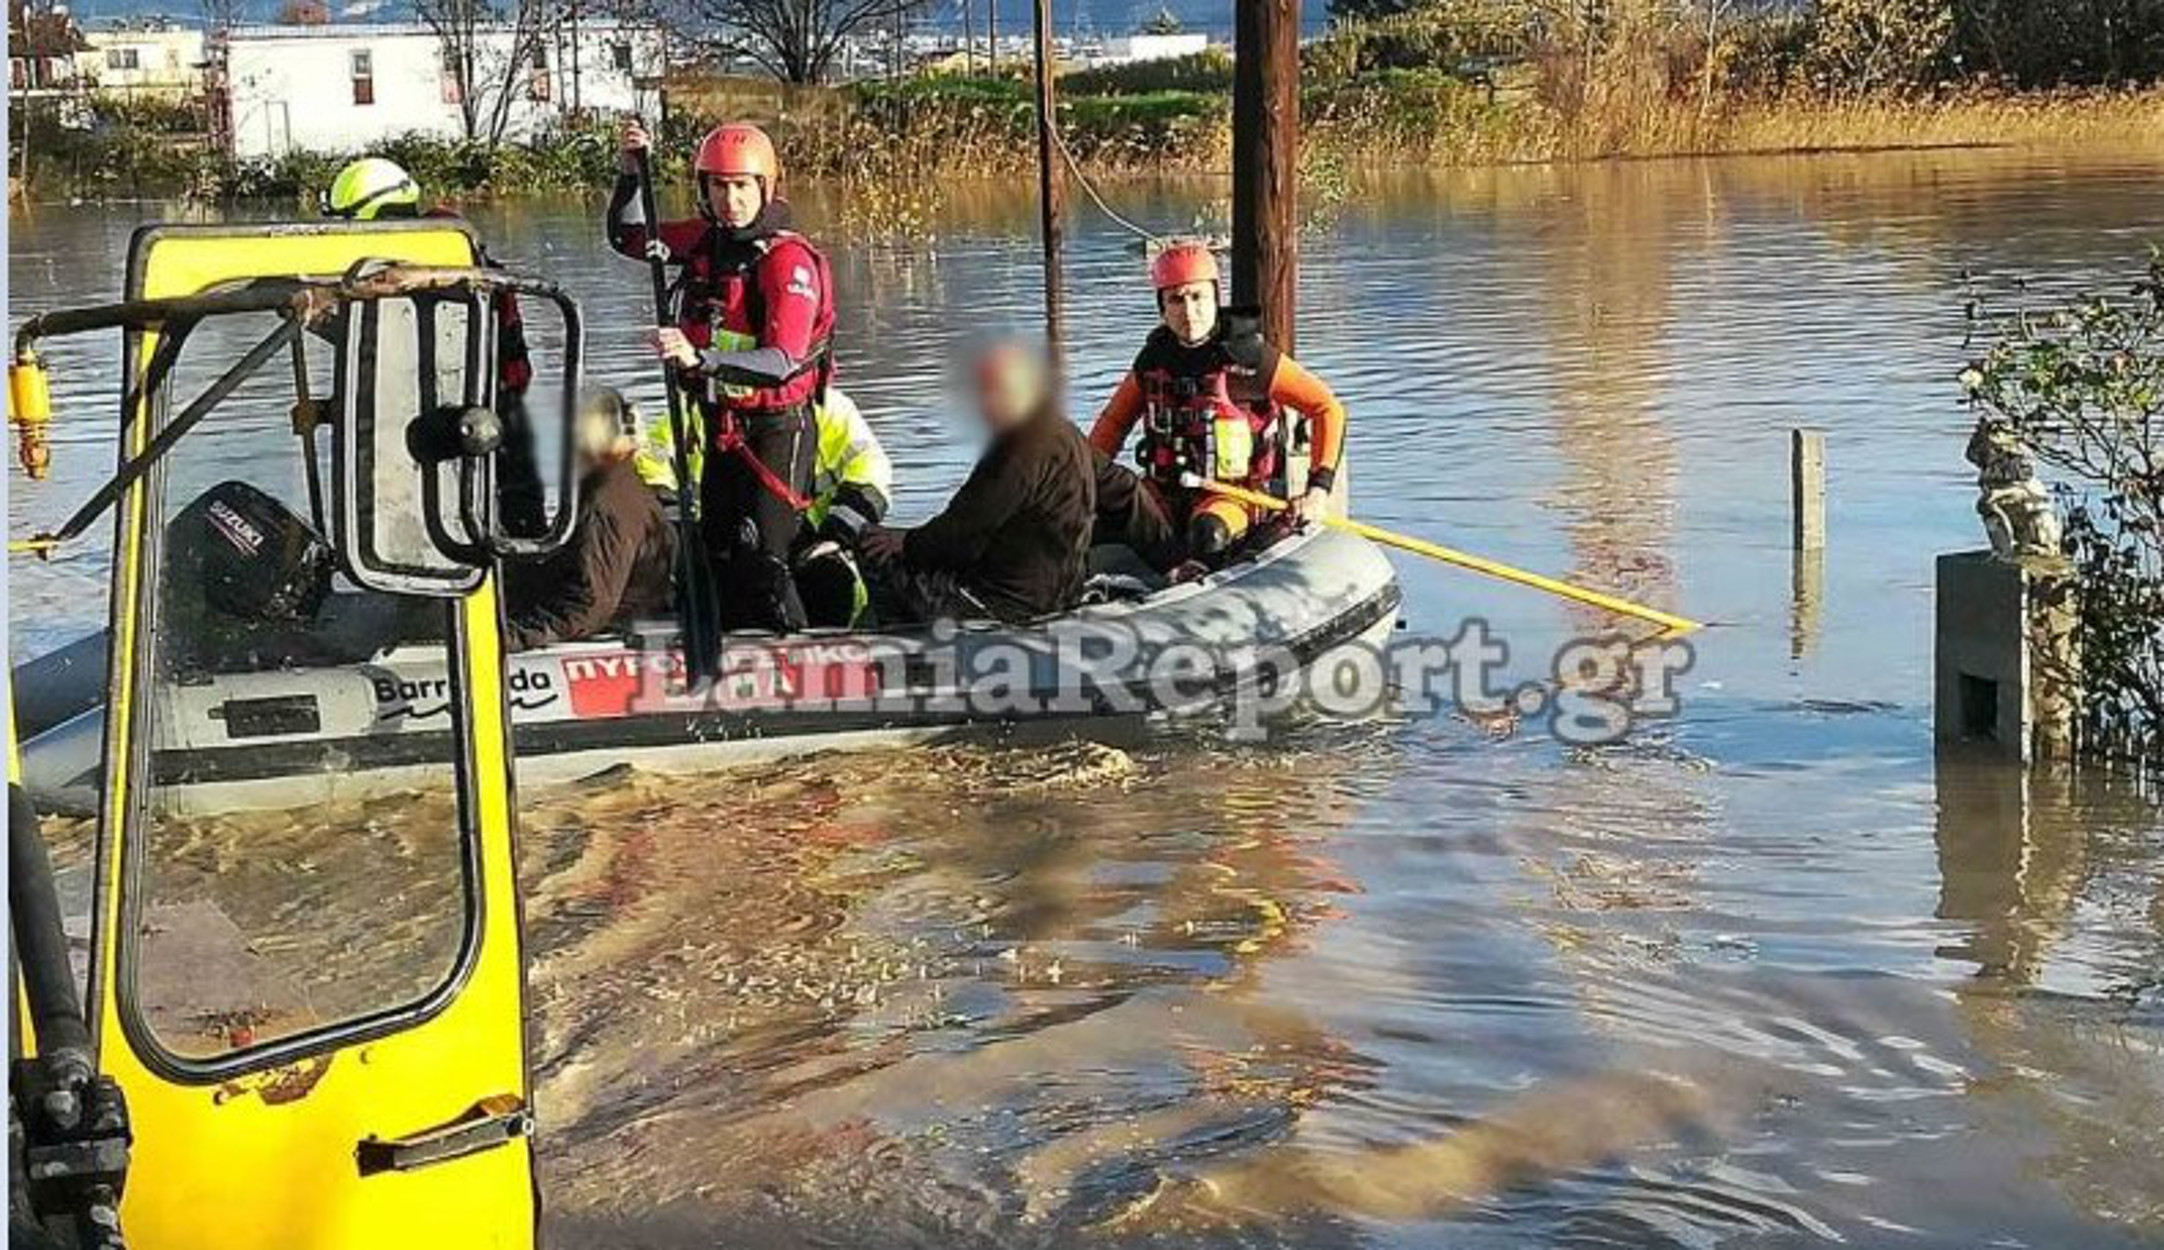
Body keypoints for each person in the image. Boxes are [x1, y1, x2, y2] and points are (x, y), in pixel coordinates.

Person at [609, 118, 836, 633]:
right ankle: (730, 655)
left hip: (779, 431)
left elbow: (782, 360)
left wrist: (699, 358)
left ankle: (803, 659)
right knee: (719, 553)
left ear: (765, 188)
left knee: (764, 559)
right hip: (724, 430)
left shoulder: (786, 262)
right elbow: (627, 236)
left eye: (741, 187)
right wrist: (629, 172)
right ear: (705, 190)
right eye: (719, 186)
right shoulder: (705, 244)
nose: (731, 200)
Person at [1089, 241, 1347, 576]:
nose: (1188, 311)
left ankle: (1190, 586)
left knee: (1207, 534)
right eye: (1176, 299)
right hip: (1164, 495)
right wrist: (1081, 480)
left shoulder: (1250, 359)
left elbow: (1326, 408)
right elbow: (1113, 423)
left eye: (1198, 297)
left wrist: (1317, 491)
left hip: (1233, 497)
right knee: (1095, 525)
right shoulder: (1153, 360)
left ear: (1215, 297)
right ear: (1162, 308)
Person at [322, 156, 545, 537]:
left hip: (482, 430)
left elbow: (416, 365)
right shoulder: (430, 263)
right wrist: (332, 410)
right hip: (461, 425)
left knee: (509, 543)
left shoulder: (443, 263)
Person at [860, 342, 1095, 625]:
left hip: (1002, 604)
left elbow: (965, 530)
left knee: (873, 551)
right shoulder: (1069, 435)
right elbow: (1121, 486)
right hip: (1056, 593)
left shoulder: (1018, 448)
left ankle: (899, 649)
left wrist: (907, 543)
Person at [635, 386, 892, 627]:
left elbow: (871, 476)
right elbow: (652, 464)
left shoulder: (827, 408)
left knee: (827, 582)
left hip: (815, 551)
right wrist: (682, 532)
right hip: (720, 549)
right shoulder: (697, 409)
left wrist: (835, 536)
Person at [503, 389, 678, 651]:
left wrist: (507, 637)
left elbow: (589, 606)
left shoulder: (605, 504)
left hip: (614, 630)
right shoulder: (624, 487)